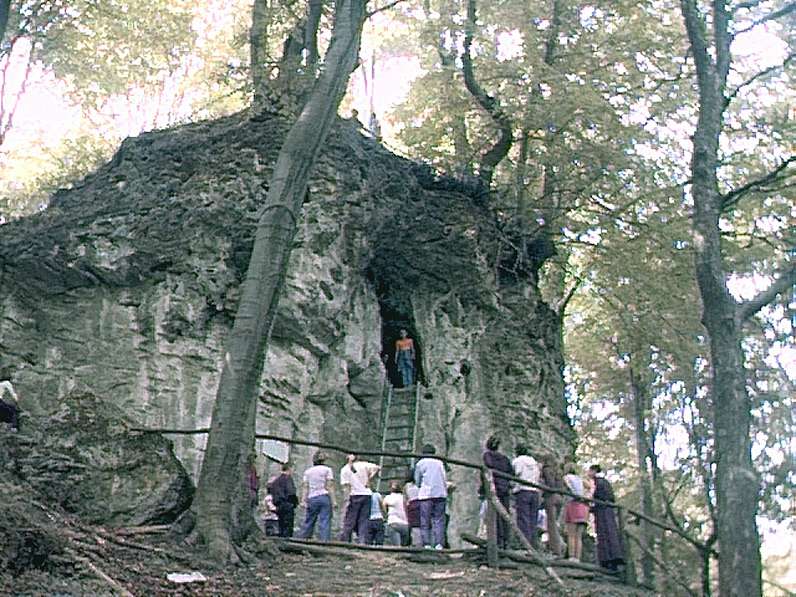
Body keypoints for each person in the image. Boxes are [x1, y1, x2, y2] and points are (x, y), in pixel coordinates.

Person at [588, 464, 625, 571]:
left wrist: (592, 506)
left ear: (594, 471)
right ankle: (613, 558)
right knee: (609, 533)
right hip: (606, 511)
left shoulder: (597, 482)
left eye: (590, 471)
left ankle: (607, 559)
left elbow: (598, 496)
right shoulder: (604, 482)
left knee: (604, 533)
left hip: (602, 511)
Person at [339, 453, 380, 544]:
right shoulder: (364, 465)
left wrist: (346, 499)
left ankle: (345, 541)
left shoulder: (345, 469)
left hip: (354, 494)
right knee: (364, 520)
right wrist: (369, 479)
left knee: (350, 519)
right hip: (366, 494)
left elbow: (346, 486)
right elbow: (377, 468)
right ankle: (362, 541)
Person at [482, 434, 513, 549]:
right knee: (504, 515)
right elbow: (511, 472)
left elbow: (488, 468)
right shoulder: (504, 459)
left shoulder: (488, 456)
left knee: (494, 515)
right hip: (505, 488)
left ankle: (497, 541)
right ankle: (505, 541)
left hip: (494, 487)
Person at [414, 443, 447, 549]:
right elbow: (444, 477)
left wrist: (420, 486)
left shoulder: (421, 463)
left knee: (425, 520)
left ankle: (426, 543)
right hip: (440, 493)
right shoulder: (439, 462)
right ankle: (439, 544)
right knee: (439, 520)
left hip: (426, 494)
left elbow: (417, 479)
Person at [298, 451, 335, 541]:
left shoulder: (308, 472)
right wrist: (334, 501)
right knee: (325, 521)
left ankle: (304, 540)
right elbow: (329, 486)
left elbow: (305, 487)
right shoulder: (327, 470)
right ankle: (324, 542)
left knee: (309, 520)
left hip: (312, 497)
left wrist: (303, 500)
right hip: (324, 496)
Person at [512, 443, 541, 548]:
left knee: (523, 517)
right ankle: (533, 542)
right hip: (534, 491)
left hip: (523, 490)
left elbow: (517, 473)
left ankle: (525, 543)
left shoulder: (518, 461)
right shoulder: (534, 462)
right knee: (533, 518)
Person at [562, 464, 589, 561]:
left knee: (571, 534)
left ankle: (572, 556)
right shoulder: (580, 479)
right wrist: (585, 495)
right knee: (579, 536)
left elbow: (566, 485)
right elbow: (589, 486)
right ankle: (578, 557)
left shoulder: (566, 477)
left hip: (573, 505)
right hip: (582, 507)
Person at [541, 456, 565, 556]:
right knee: (555, 523)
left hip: (551, 497)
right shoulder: (559, 471)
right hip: (560, 497)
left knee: (551, 524)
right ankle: (558, 547)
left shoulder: (547, 469)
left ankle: (555, 550)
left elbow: (550, 483)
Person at [268, 463, 299, 538]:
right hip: (287, 504)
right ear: (289, 469)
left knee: (281, 524)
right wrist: (295, 502)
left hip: (278, 505)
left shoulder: (276, 481)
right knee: (288, 526)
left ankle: (281, 539)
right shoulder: (288, 479)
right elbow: (291, 492)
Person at [383, 481, 409, 546]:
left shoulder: (388, 497)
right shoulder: (403, 497)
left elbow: (383, 508)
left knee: (396, 546)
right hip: (405, 524)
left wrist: (386, 516)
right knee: (405, 547)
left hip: (393, 522)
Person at [403, 470, 422, 546]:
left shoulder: (406, 486)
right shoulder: (419, 484)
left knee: (414, 524)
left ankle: (414, 542)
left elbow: (405, 499)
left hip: (412, 504)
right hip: (420, 503)